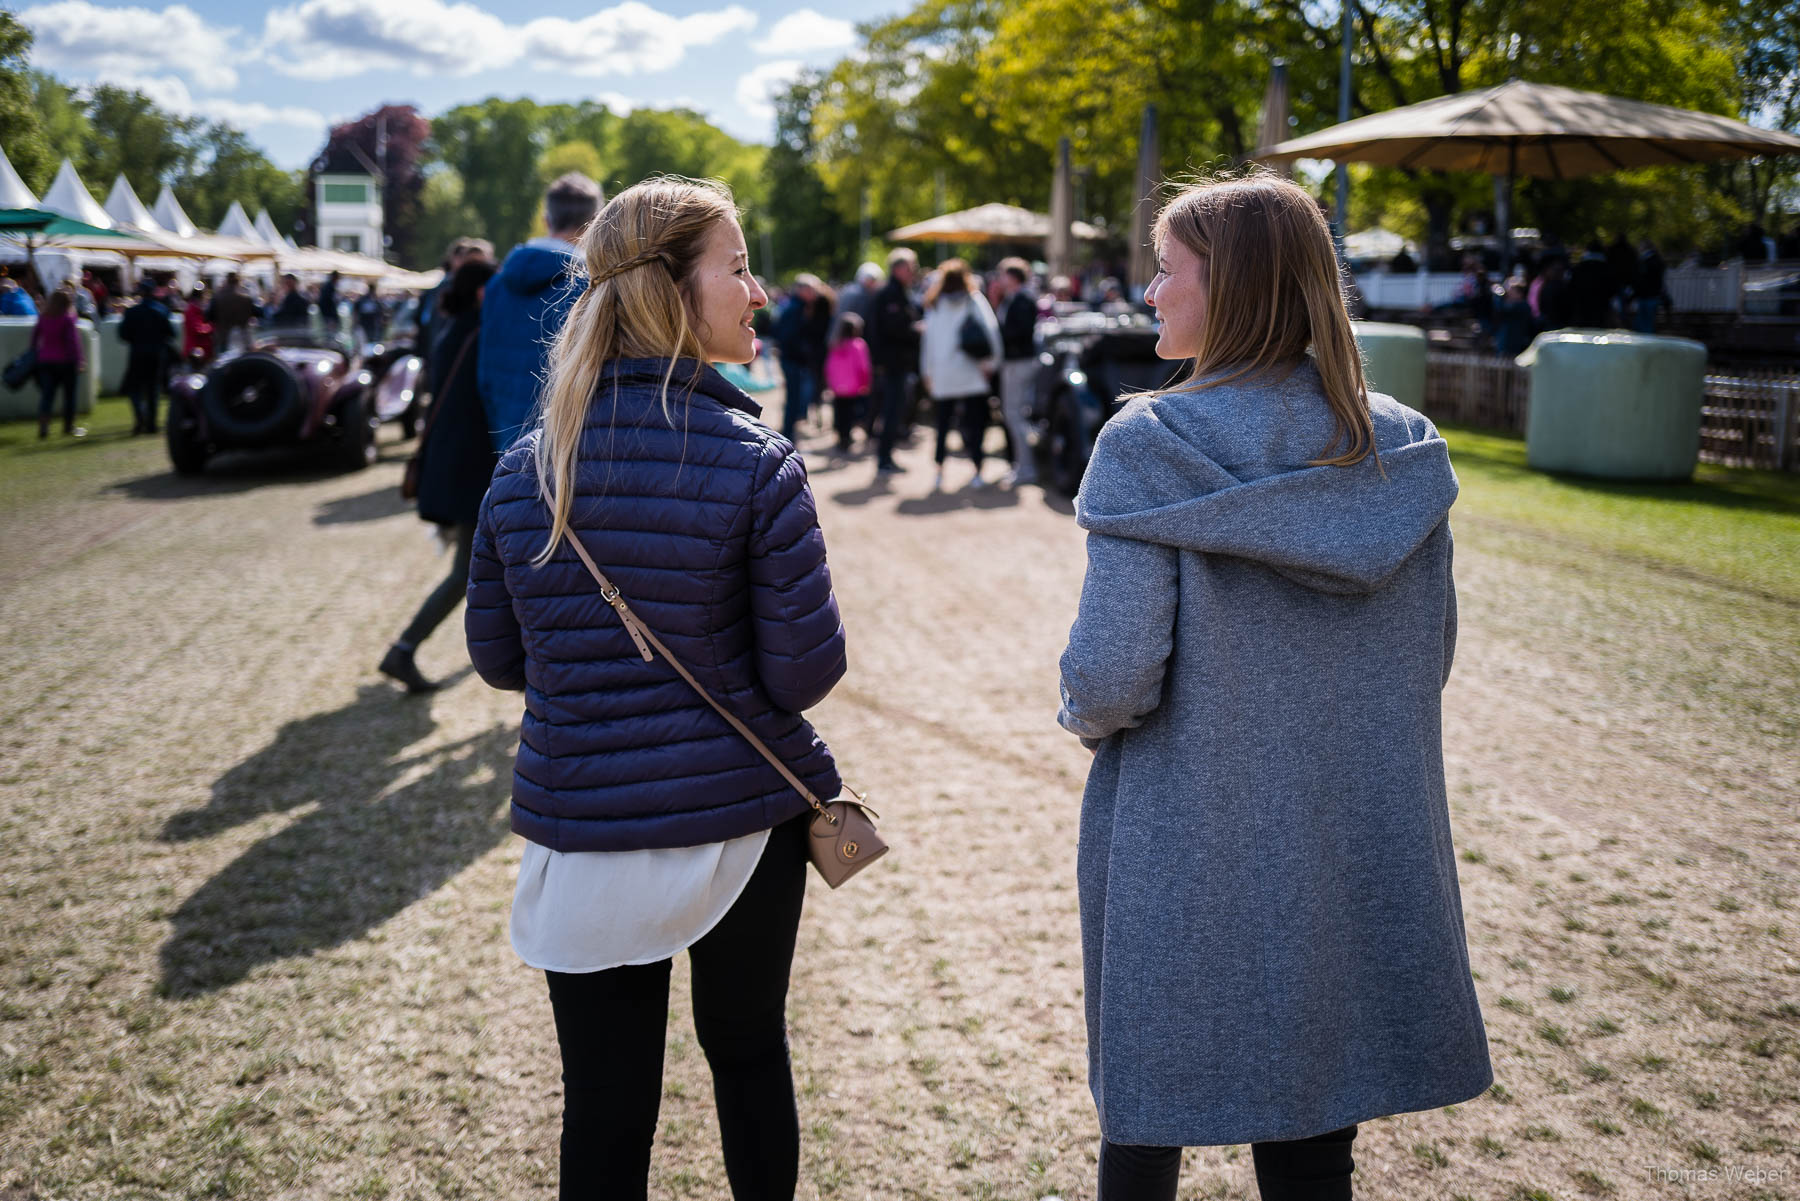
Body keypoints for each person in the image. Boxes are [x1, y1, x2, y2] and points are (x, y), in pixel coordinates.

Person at [1056, 171, 1492, 1201]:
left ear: (1237, 288)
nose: (1148, 292)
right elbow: (1432, 651)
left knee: (1148, 1108)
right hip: (1348, 821)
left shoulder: (1153, 441)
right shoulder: (1397, 444)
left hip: (1188, 820)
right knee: (1312, 1116)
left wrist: (1083, 716)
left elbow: (1112, 674)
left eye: (1167, 271)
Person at [463, 176, 846, 1201]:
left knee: (604, 1099)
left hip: (584, 820)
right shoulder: (758, 462)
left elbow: (499, 659)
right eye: (736, 265)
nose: (758, 291)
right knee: (750, 1055)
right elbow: (802, 674)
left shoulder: (523, 471)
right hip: (738, 819)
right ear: (673, 291)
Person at [378, 258, 500, 693]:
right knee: (465, 573)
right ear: (484, 292)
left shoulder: (452, 328)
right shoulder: (479, 333)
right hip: (469, 472)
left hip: (454, 467)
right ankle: (405, 648)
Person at [480, 172, 604, 452]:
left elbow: (485, 373)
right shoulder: (593, 285)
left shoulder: (497, 285)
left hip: (507, 438)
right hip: (571, 446)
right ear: (596, 223)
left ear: (547, 219)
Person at [918, 257, 1001, 491]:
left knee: (942, 425)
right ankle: (977, 470)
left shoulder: (934, 303)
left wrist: (927, 371)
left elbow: (928, 342)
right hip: (971, 371)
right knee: (976, 425)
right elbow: (991, 331)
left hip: (943, 372)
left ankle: (939, 471)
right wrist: (991, 363)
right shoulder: (973, 300)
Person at [870, 247, 923, 475]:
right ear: (899, 268)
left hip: (896, 362)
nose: (914, 272)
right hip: (893, 363)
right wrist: (916, 329)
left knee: (893, 411)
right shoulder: (891, 293)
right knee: (891, 411)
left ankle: (886, 457)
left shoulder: (898, 292)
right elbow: (892, 328)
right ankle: (884, 460)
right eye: (911, 267)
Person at [771, 273, 834, 441]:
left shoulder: (796, 306)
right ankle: (788, 434)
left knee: (794, 398)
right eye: (812, 289)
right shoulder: (795, 309)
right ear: (803, 290)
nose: (815, 293)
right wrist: (805, 352)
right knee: (793, 399)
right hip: (793, 361)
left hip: (793, 359)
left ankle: (789, 432)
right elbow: (789, 337)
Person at [994, 256, 1039, 486]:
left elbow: (1016, 333)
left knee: (1014, 414)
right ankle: (1023, 465)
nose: (999, 279)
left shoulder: (1022, 300)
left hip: (1018, 363)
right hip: (1016, 362)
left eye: (1002, 274)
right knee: (1014, 414)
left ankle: (1026, 467)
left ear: (1011, 277)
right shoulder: (1016, 298)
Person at [119, 282, 176, 435]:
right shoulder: (162, 310)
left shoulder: (132, 312)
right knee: (153, 389)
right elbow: (171, 333)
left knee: (134, 388)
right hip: (156, 354)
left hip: (137, 353)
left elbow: (123, 335)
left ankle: (140, 418)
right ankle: (151, 423)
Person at [31, 288, 83, 439]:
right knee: (69, 396)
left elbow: (34, 339)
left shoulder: (43, 318)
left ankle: (44, 427)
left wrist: (36, 353)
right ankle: (68, 427)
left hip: (45, 360)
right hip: (66, 361)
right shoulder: (67, 318)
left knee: (47, 395)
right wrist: (79, 360)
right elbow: (73, 342)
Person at [823, 310, 872, 453]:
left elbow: (829, 366)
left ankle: (840, 435)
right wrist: (865, 383)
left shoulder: (835, 345)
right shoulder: (859, 345)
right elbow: (864, 367)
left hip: (837, 387)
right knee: (850, 412)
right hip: (853, 387)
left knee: (839, 411)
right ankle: (847, 436)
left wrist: (829, 382)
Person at [1568, 242, 1616, 327]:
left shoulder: (1579, 268)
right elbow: (1613, 289)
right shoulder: (1607, 268)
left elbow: (1571, 287)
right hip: (1601, 308)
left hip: (1581, 308)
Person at [207, 272, 256, 352]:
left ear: (226, 281)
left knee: (223, 362)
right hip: (243, 339)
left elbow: (208, 316)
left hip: (223, 338)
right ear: (238, 282)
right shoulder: (246, 298)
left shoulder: (218, 297)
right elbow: (257, 313)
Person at [1491, 277, 1535, 357]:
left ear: (1519, 293)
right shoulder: (1515, 306)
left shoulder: (1522, 306)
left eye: (1511, 290)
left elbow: (1503, 309)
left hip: (1515, 345)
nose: (1508, 293)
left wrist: (1498, 296)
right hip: (1506, 343)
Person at [1631, 239, 1666, 334]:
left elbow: (1643, 279)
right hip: (1651, 295)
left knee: (1645, 323)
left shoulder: (1647, 261)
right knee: (1646, 322)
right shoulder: (1656, 260)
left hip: (1647, 295)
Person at [182, 284, 215, 365]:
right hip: (195, 351)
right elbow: (197, 329)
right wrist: (212, 327)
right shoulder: (192, 310)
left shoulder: (197, 309)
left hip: (201, 350)